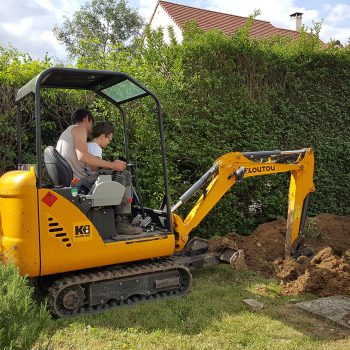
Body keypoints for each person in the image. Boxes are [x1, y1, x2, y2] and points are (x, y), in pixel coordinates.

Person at [56, 109, 126, 180]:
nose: (91, 128)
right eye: (91, 123)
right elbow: (82, 156)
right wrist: (112, 165)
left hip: (66, 179)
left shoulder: (67, 132)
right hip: (78, 181)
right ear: (86, 119)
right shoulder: (80, 129)